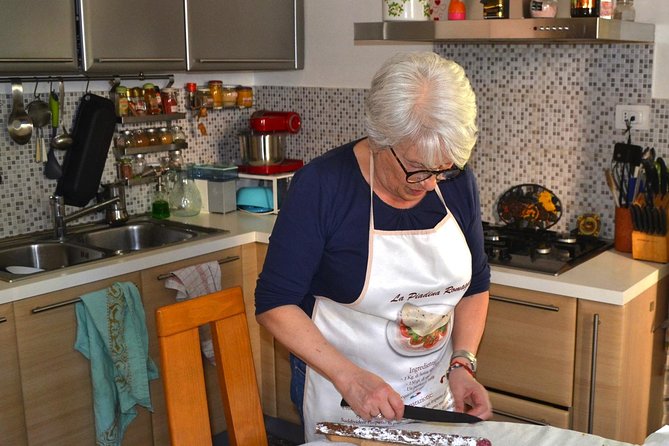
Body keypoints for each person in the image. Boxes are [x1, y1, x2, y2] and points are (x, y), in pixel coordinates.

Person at [255, 51, 492, 442]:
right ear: (381, 138)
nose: (432, 183)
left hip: (432, 395)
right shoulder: (323, 186)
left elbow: (476, 284)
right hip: (344, 394)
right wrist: (349, 377)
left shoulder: (456, 182)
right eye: (418, 168)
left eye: (444, 169)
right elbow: (274, 302)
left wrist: (462, 363)